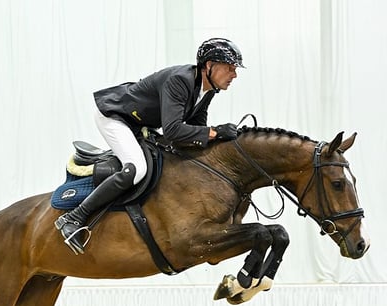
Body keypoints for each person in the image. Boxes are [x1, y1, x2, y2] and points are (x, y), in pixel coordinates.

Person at [55, 37, 245, 254]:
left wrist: (217, 138)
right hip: (116, 117)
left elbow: (195, 127)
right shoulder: (180, 80)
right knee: (136, 169)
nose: (234, 74)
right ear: (210, 66)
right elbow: (173, 131)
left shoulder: (207, 90)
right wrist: (216, 132)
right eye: (230, 68)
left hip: (140, 122)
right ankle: (74, 218)